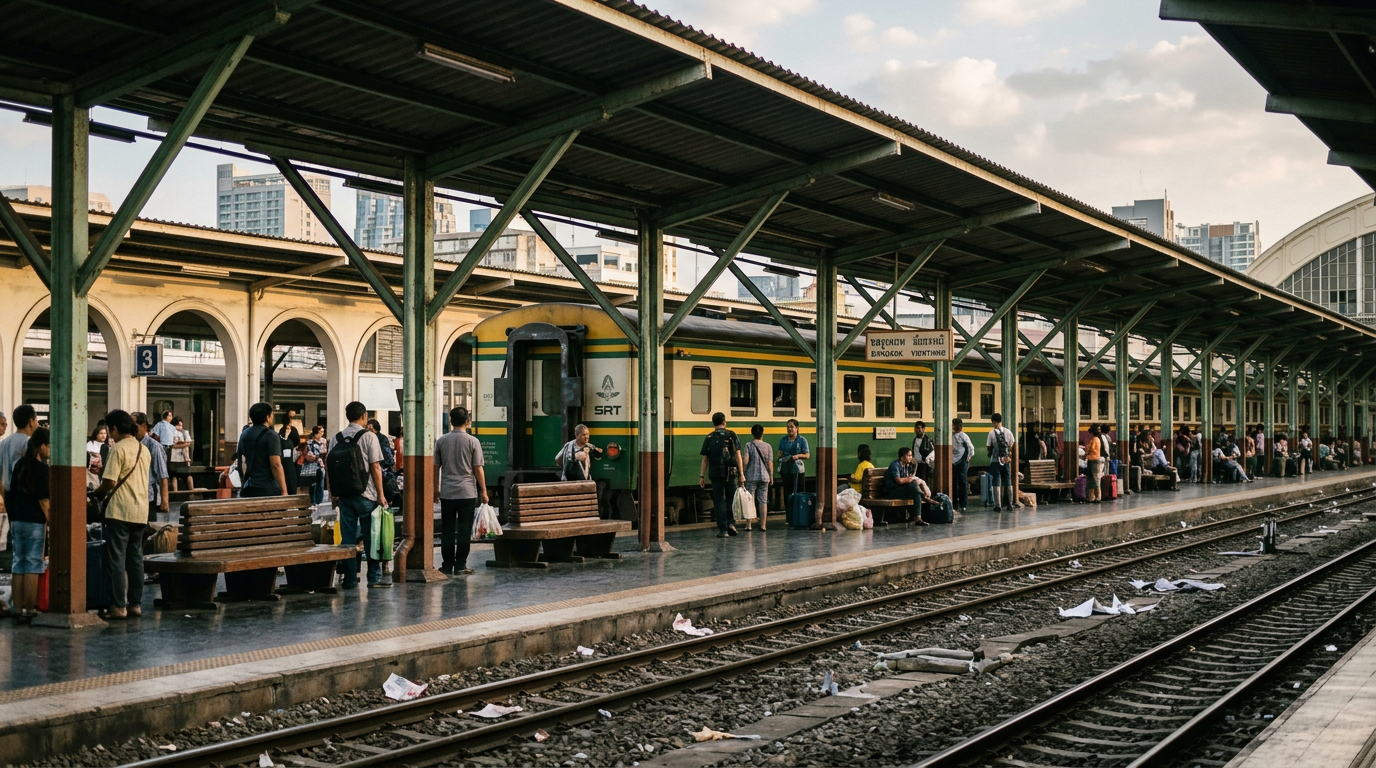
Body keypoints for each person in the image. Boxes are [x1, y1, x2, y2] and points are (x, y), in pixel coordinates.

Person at [94, 410, 151, 619]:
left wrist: (97, 495)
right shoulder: (144, 449)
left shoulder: (117, 449)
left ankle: (119, 606)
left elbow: (110, 481)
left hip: (119, 510)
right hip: (140, 510)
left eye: (110, 431)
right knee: (135, 559)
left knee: (117, 559)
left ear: (115, 429)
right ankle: (135, 604)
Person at [328, 401, 390, 588]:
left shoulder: (336, 438)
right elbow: (375, 467)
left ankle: (349, 579)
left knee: (347, 538)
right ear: (364, 416)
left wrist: (332, 494)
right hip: (367, 494)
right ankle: (373, 578)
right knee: (371, 537)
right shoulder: (369, 437)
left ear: (347, 416)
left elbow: (330, 468)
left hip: (344, 495)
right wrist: (381, 495)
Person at [435, 406, 486, 575]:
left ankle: (447, 564)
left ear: (451, 421)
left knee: (447, 530)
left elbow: (436, 467)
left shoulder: (441, 441)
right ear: (467, 421)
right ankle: (460, 565)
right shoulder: (473, 441)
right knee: (464, 530)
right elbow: (477, 468)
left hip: (447, 492)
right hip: (467, 492)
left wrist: (436, 488)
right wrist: (484, 491)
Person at [5, 427, 49, 620]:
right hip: (34, 521)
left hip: (17, 519)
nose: (49, 450)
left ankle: (17, 609)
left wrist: (13, 515)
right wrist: (50, 520)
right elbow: (43, 499)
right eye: (48, 446)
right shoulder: (42, 469)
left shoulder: (19, 464)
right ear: (41, 446)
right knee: (32, 563)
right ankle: (30, 609)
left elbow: (10, 491)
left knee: (18, 563)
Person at [699, 412, 744, 538]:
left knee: (719, 501)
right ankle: (731, 524)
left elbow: (705, 459)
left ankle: (723, 530)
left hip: (715, 473)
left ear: (713, 423)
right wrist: (742, 474)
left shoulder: (709, 437)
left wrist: (702, 476)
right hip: (731, 473)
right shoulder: (732, 435)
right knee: (731, 499)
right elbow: (738, 455)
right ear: (724, 422)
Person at [236, 402, 287, 498]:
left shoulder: (244, 434)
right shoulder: (271, 435)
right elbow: (276, 464)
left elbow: (240, 461)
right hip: (268, 487)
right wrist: (284, 491)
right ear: (267, 417)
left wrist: (243, 482)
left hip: (249, 487)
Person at [132, 412, 171, 524]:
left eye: (134, 426)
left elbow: (162, 475)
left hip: (148, 495)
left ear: (143, 426)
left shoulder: (153, 446)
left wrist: (164, 500)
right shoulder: (131, 444)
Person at [883, 447, 932, 526]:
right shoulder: (895, 465)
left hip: (901, 490)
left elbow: (908, 479)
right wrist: (910, 479)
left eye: (911, 455)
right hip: (891, 491)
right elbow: (899, 481)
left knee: (916, 493)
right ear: (902, 457)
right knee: (913, 486)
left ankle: (918, 518)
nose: (910, 458)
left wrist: (916, 481)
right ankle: (923, 496)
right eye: (908, 456)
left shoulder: (907, 466)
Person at [741, 424, 772, 531]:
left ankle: (748, 525)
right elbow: (770, 463)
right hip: (764, 476)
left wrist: (742, 473)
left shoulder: (748, 445)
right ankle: (763, 525)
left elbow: (745, 461)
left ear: (752, 433)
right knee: (763, 501)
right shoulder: (768, 446)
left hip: (751, 476)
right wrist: (771, 476)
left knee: (750, 500)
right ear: (762, 434)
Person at [777, 419, 809, 511]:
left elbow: (807, 455)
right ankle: (789, 513)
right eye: (788, 427)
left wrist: (798, 456)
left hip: (798, 470)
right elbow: (779, 453)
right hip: (786, 470)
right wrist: (781, 456)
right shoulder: (783, 440)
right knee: (787, 493)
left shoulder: (802, 440)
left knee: (799, 492)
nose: (789, 429)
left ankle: (800, 512)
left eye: (792, 427)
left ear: (797, 428)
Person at [985, 413, 1015, 511]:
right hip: (1006, 460)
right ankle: (1010, 504)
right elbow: (1011, 444)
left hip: (995, 461)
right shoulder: (1008, 432)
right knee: (1008, 481)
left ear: (993, 421)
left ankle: (998, 505)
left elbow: (988, 446)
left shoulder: (991, 433)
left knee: (996, 482)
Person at [298, 425, 327, 505]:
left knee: (321, 484)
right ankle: (313, 502)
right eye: (320, 432)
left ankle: (319, 501)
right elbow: (308, 454)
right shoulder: (309, 443)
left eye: (323, 432)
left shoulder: (324, 441)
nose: (322, 434)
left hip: (321, 465)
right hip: (312, 466)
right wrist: (317, 457)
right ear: (316, 433)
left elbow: (325, 452)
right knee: (312, 485)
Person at [951, 417, 975, 513]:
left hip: (961, 461)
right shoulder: (952, 436)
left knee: (962, 483)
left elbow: (971, 448)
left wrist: (968, 457)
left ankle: (962, 504)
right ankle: (956, 504)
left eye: (958, 425)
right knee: (955, 483)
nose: (956, 427)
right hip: (954, 461)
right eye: (955, 425)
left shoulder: (963, 436)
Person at [278, 410, 302, 495]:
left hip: (283, 458)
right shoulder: (293, 430)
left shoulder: (281, 431)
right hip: (291, 458)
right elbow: (297, 441)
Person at [169, 416, 194, 490]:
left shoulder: (185, 432)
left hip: (184, 458)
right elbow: (172, 445)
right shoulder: (170, 433)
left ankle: (191, 491)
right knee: (174, 476)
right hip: (174, 458)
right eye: (178, 425)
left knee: (188, 475)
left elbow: (188, 443)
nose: (180, 427)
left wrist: (180, 444)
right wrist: (183, 444)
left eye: (181, 425)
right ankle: (175, 492)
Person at [1084, 424, 1104, 504]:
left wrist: (1087, 450)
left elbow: (1091, 448)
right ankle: (1093, 497)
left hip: (1093, 460)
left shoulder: (1095, 439)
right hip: (1094, 459)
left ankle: (1096, 497)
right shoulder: (1098, 439)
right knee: (1093, 479)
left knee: (1094, 479)